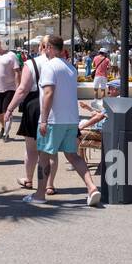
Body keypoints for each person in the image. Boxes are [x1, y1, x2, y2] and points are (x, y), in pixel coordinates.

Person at [25, 34, 103, 208]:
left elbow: (48, 93)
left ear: (50, 48)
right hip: (71, 119)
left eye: (45, 47)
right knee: (72, 155)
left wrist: (43, 120)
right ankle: (92, 188)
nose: (44, 50)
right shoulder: (70, 68)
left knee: (44, 156)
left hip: (53, 119)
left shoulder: (49, 67)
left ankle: (39, 194)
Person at [5, 37, 59, 194]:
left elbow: (23, 89)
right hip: (53, 106)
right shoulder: (59, 64)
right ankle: (49, 184)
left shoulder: (32, 63)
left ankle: (29, 179)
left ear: (42, 46)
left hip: (34, 105)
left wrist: (10, 108)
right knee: (51, 149)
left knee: (31, 148)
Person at [0, 36, 19, 141]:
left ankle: (6, 133)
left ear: (1, 43)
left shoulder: (12, 55)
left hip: (9, 88)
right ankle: (3, 126)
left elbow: (17, 72)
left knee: (7, 112)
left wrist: (18, 88)